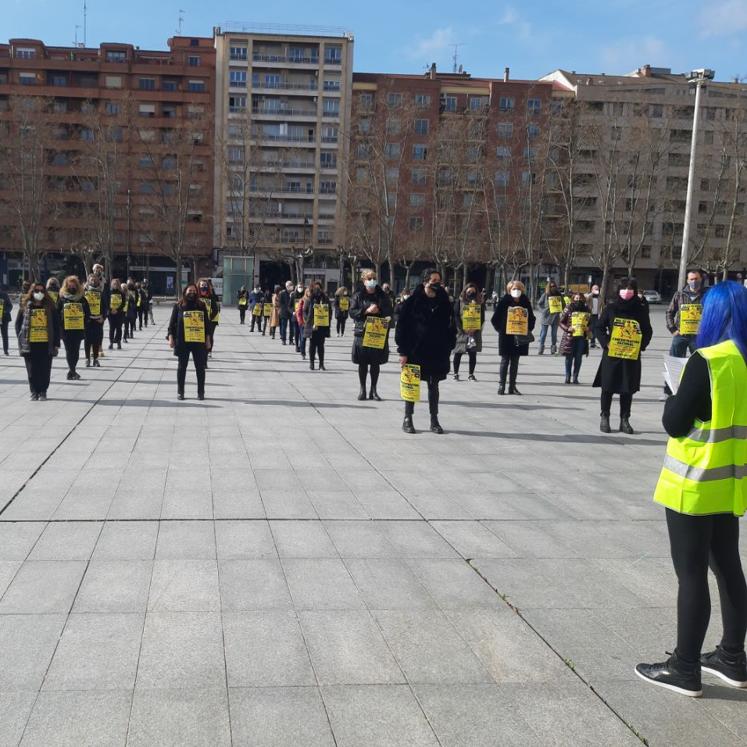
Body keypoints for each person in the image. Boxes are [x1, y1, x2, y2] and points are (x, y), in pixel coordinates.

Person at [636, 281, 747, 697]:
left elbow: (675, 423)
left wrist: (673, 395)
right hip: (732, 483)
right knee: (729, 567)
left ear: (715, 316)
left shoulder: (708, 360)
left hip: (694, 484)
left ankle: (684, 667)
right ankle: (733, 658)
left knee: (692, 574)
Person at [395, 268, 456, 434]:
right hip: (415, 350)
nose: (437, 284)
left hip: (437, 352)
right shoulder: (412, 302)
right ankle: (408, 418)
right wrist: (403, 351)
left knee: (433, 385)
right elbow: (401, 327)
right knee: (411, 385)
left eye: (439, 281)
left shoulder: (445, 302)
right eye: (433, 281)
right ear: (425, 282)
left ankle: (434, 420)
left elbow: (452, 325)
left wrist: (449, 344)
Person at [593, 277, 653, 435]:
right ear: (618, 290)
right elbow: (598, 327)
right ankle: (604, 416)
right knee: (607, 387)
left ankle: (624, 419)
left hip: (631, 356)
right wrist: (606, 343)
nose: (627, 291)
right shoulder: (611, 308)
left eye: (630, 288)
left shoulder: (640, 310)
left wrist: (641, 345)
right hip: (612, 355)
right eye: (624, 288)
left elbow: (647, 330)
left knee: (628, 389)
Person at [349, 270, 393, 400]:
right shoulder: (357, 295)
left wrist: (379, 309)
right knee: (363, 363)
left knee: (375, 363)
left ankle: (373, 390)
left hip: (377, 332)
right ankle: (362, 389)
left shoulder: (383, 296)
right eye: (369, 278)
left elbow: (390, 311)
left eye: (374, 278)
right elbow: (352, 312)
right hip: (362, 333)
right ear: (364, 280)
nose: (372, 280)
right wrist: (366, 310)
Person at [15, 281, 60, 401]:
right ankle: (34, 391)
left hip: (46, 344)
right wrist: (21, 339)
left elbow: (56, 325)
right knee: (31, 370)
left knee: (45, 369)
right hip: (30, 344)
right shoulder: (25, 306)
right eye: (36, 291)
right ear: (32, 292)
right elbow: (18, 324)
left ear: (44, 292)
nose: (39, 293)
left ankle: (43, 391)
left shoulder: (50, 306)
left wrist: (56, 343)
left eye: (41, 291)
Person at [665, 270, 708, 393]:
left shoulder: (706, 295)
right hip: (681, 335)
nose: (694, 281)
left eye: (696, 279)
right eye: (691, 279)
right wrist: (672, 329)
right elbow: (669, 312)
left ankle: (699, 391)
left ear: (701, 279)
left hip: (699, 336)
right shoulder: (679, 295)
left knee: (700, 363)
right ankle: (669, 391)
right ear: (687, 280)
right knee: (674, 363)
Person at [491, 280, 536, 396]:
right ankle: (501, 385)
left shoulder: (525, 302)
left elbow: (532, 318)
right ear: (509, 290)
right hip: (506, 336)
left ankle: (512, 386)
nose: (516, 291)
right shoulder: (504, 301)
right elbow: (494, 319)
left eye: (519, 289)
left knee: (515, 361)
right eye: (514, 289)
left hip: (520, 335)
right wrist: (501, 329)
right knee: (505, 360)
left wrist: (528, 329)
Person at [168, 283, 211, 400]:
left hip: (198, 341)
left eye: (194, 291)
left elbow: (207, 325)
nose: (192, 293)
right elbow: (171, 324)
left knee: (200, 368)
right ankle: (180, 392)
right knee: (182, 367)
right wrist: (171, 338)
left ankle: (201, 392)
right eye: (189, 291)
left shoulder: (201, 305)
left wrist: (208, 340)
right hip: (182, 341)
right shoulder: (178, 305)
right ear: (185, 292)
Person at [57, 275, 90, 381]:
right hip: (65, 328)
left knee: (75, 350)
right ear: (66, 285)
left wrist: (84, 320)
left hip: (78, 328)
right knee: (68, 350)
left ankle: (72, 371)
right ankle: (72, 371)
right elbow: (56, 312)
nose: (72, 286)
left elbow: (88, 312)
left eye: (74, 284)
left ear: (77, 285)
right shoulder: (62, 298)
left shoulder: (82, 298)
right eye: (70, 284)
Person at [453, 283, 484, 381]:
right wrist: (462, 328)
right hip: (462, 331)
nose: (471, 293)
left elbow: (482, 317)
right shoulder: (459, 301)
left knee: (472, 353)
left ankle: (471, 374)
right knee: (458, 352)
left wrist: (475, 328)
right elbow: (456, 315)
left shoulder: (479, 303)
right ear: (465, 291)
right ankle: (455, 373)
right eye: (469, 291)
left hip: (474, 331)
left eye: (473, 292)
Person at [559, 292, 591, 384]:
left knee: (578, 358)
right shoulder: (568, 308)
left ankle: (575, 377)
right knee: (569, 357)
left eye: (580, 298)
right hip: (570, 337)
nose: (578, 300)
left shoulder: (587, 309)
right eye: (576, 298)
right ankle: (567, 377)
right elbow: (561, 322)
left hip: (581, 337)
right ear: (573, 299)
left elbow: (591, 322)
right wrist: (568, 328)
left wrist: (588, 328)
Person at [303, 282, 332, 370]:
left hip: (322, 326)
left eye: (319, 288)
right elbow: (304, 311)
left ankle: (321, 364)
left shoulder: (325, 299)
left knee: (321, 345)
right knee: (312, 345)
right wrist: (308, 320)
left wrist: (327, 319)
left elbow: (330, 310)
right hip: (313, 326)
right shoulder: (309, 299)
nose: (317, 290)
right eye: (316, 288)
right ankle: (312, 363)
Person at [84, 273, 106, 367]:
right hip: (87, 320)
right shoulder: (84, 292)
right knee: (87, 340)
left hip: (98, 320)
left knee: (96, 340)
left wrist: (103, 317)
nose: (93, 281)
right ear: (88, 281)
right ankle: (87, 358)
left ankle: (96, 359)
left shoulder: (101, 292)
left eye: (95, 279)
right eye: (91, 279)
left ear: (98, 281)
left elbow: (105, 306)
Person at [537, 281, 563, 355]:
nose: (553, 287)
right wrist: (542, 311)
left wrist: (560, 310)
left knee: (554, 334)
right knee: (543, 334)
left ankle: (553, 348)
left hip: (555, 316)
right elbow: (539, 304)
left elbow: (563, 304)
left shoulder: (559, 295)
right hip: (546, 316)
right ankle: (541, 348)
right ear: (549, 287)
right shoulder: (545, 294)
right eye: (551, 286)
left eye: (554, 286)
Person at [197, 278, 220, 356]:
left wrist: (209, 318)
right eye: (202, 285)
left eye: (205, 285)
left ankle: (209, 350)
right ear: (199, 286)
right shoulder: (196, 296)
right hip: (199, 320)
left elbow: (216, 310)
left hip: (211, 320)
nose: (204, 287)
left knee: (209, 335)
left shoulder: (211, 296)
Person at [107, 279, 126, 350]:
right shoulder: (109, 292)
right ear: (112, 284)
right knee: (111, 328)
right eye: (114, 284)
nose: (115, 285)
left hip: (119, 313)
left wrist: (117, 310)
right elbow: (106, 302)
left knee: (119, 328)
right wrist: (110, 309)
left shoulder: (122, 293)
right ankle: (111, 342)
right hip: (111, 313)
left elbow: (123, 303)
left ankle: (118, 342)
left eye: (117, 284)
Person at [295, 286, 311, 360]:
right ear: (306, 292)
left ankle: (312, 353)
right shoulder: (302, 300)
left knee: (312, 339)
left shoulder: (312, 300)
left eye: (310, 292)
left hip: (310, 323)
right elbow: (299, 312)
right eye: (308, 292)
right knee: (303, 338)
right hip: (303, 322)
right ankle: (303, 353)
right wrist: (301, 322)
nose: (309, 293)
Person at [289, 283, 304, 350]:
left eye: (301, 287)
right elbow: (289, 306)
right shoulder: (293, 295)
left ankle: (301, 346)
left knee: (302, 333)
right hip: (295, 317)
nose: (300, 288)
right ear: (297, 287)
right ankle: (296, 346)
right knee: (296, 332)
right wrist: (293, 311)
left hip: (303, 317)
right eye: (299, 287)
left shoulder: (305, 295)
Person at [0, 286, 12, 355]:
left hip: (4, 318)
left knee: (5, 335)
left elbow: (10, 306)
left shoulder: (4, 295)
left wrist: (5, 311)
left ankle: (6, 350)